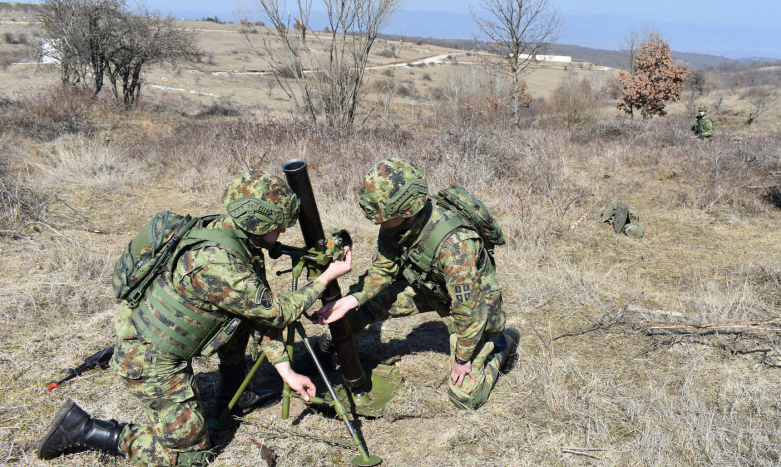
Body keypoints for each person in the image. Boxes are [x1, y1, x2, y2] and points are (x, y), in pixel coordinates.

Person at [37, 170, 352, 466]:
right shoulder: (218, 264)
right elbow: (277, 311)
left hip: (156, 340)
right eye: (280, 225)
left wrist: (286, 371)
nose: (283, 232)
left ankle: (234, 396)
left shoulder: (228, 233)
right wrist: (326, 277)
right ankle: (83, 429)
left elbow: (257, 313)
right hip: (150, 362)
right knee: (191, 459)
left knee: (240, 318)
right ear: (257, 221)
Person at [313, 158, 518, 410]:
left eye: (382, 216)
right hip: (427, 287)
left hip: (473, 306)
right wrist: (351, 300)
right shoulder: (395, 224)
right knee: (359, 307)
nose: (377, 223)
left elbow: (470, 309)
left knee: (465, 397)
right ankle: (324, 348)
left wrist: (462, 359)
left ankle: (502, 345)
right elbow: (384, 269)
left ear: (406, 210)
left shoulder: (455, 245)